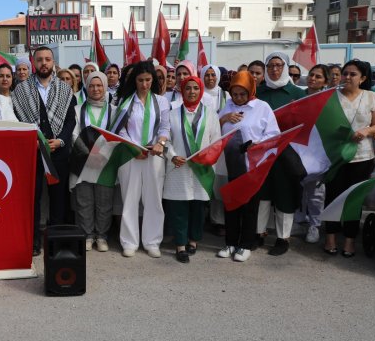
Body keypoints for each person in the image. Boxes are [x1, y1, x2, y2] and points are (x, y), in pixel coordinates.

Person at [12, 47, 76, 255]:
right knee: (33, 198)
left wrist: (61, 141)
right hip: (32, 153)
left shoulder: (65, 89)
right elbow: (17, 119)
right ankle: (33, 242)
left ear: (53, 62)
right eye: (39, 60)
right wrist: (31, 140)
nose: (44, 63)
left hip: (58, 152)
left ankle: (56, 241)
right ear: (34, 63)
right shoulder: (20, 90)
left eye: (48, 59)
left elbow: (70, 121)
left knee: (59, 199)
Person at [324, 60, 375, 257]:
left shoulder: (372, 97)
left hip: (362, 157)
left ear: (363, 78)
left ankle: (350, 239)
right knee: (332, 196)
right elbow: (322, 125)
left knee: (354, 199)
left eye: (353, 74)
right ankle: (330, 236)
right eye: (345, 73)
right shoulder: (331, 97)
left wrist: (366, 130)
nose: (347, 77)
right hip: (335, 156)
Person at [217, 71, 279, 262]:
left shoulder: (262, 107)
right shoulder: (227, 106)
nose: (238, 98)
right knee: (231, 203)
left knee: (250, 206)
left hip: (253, 165)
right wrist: (225, 118)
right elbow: (213, 129)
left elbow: (274, 133)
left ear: (251, 90)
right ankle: (231, 243)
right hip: (230, 163)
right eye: (235, 94)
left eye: (242, 94)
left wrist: (257, 144)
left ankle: (245, 245)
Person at [114, 61, 171, 258]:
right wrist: (133, 148)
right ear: (134, 80)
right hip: (131, 155)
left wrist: (160, 144)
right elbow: (120, 129)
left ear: (153, 80)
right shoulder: (125, 101)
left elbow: (165, 127)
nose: (144, 84)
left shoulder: (161, 101)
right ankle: (129, 242)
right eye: (140, 80)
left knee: (153, 199)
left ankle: (152, 241)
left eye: (148, 80)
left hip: (154, 155)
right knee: (129, 199)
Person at [164, 75, 221, 263]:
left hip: (202, 168)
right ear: (182, 90)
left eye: (195, 88)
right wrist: (172, 155)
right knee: (178, 207)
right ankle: (180, 245)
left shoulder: (211, 114)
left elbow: (216, 141)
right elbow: (165, 139)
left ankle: (193, 241)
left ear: (201, 91)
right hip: (178, 167)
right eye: (187, 88)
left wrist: (207, 158)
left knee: (198, 207)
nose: (191, 92)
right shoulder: (171, 114)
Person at [255, 52, 306, 255]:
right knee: (262, 194)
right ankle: (258, 233)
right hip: (263, 152)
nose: (274, 69)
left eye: (278, 65)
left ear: (285, 67)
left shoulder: (297, 94)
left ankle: (283, 238)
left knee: (284, 195)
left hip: (288, 153)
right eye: (270, 66)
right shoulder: (258, 92)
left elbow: (305, 124)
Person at [71, 70, 113, 251]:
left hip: (106, 162)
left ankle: (101, 236)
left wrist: (102, 155)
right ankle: (87, 235)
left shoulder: (115, 110)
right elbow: (73, 134)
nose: (95, 89)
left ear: (105, 87)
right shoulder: (77, 109)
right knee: (84, 199)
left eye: (99, 85)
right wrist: (89, 155)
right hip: (83, 161)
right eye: (91, 85)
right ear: (86, 87)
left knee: (104, 201)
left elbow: (117, 135)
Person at [299, 64, 332, 243]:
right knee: (298, 188)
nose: (313, 79)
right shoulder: (299, 97)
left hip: (319, 150)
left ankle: (315, 225)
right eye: (311, 75)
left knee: (316, 191)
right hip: (300, 148)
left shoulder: (330, 100)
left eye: (318, 77)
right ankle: (299, 219)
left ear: (325, 82)